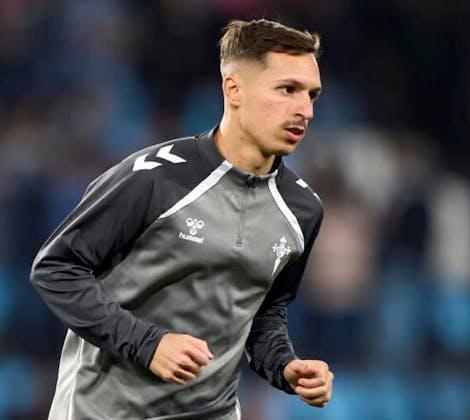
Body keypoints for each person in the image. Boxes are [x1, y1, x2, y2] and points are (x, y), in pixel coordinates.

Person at [30, 18, 334, 420]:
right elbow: (56, 269)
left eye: (312, 95)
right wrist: (148, 344)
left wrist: (284, 365)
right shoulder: (155, 178)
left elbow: (264, 314)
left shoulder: (302, 209)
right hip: (104, 411)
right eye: (287, 89)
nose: (305, 110)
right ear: (234, 89)